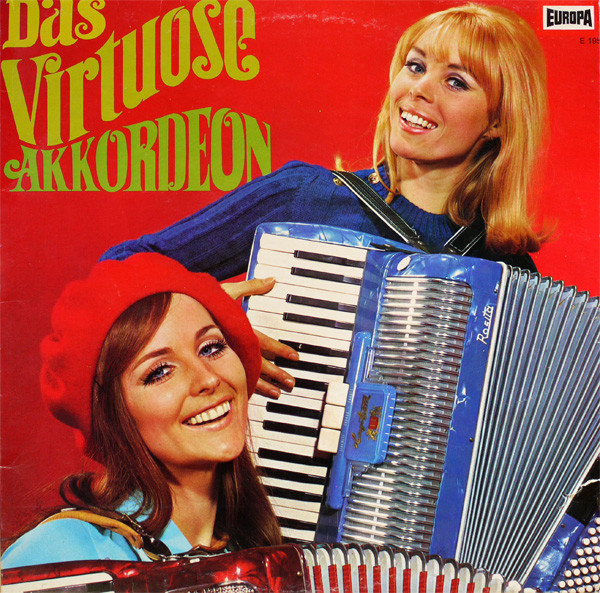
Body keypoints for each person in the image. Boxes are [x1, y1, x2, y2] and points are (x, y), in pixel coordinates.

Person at [100, 4, 550, 396]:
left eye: (455, 81)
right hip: (277, 463)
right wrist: (214, 331)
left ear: (497, 122)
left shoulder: (507, 272)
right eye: (415, 66)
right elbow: (116, 270)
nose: (419, 89)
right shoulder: (306, 197)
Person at [2, 253, 282, 569]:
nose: (208, 379)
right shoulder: (61, 554)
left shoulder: (256, 550)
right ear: (113, 417)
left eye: (211, 348)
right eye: (159, 372)